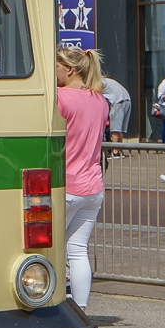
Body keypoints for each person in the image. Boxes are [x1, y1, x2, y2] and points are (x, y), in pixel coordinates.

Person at [55, 46, 109, 310]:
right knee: (77, 250)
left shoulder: (59, 97)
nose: (53, 72)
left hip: (65, 184)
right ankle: (81, 309)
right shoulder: (100, 100)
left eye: (55, 67)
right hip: (93, 186)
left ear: (69, 68)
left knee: (50, 249)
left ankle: (47, 304)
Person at [101, 74, 131, 150]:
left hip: (118, 101)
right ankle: (120, 151)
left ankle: (115, 151)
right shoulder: (107, 81)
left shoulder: (97, 83)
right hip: (127, 100)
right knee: (120, 129)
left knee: (115, 129)